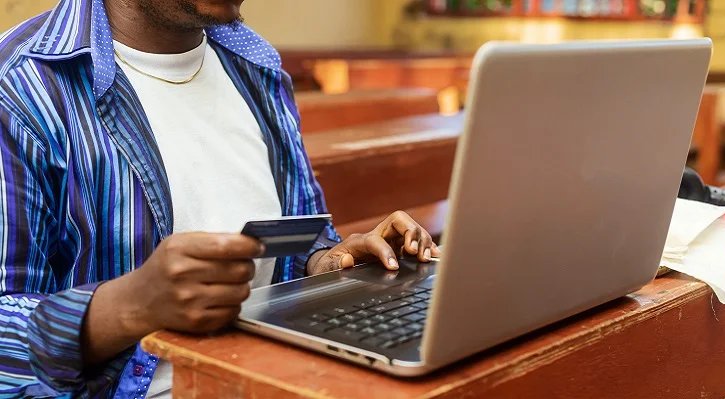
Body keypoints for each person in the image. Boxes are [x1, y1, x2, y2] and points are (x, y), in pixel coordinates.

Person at [0, 0, 441, 397]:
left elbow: (293, 237)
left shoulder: (257, 69)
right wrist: (130, 305)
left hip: (275, 374)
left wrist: (325, 265)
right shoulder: (22, 88)